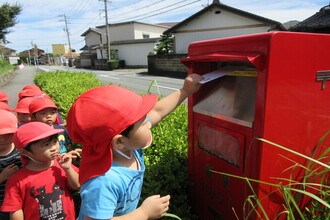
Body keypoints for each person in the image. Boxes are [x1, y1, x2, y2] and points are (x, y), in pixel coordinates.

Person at [66, 73, 204, 220]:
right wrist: (143, 213)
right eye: (144, 123)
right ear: (119, 142)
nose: (149, 123)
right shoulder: (103, 181)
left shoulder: (125, 146)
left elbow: (157, 111)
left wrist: (186, 90)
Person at [0, 122, 80, 220]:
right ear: (25, 152)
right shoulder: (16, 181)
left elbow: (76, 185)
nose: (54, 148)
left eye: (55, 141)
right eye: (46, 145)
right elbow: (16, 210)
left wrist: (68, 168)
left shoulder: (61, 166)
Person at [0, 110, 22, 220]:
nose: (3, 139)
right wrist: (2, 177)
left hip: (23, 205)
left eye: (8, 135)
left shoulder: (23, 150)